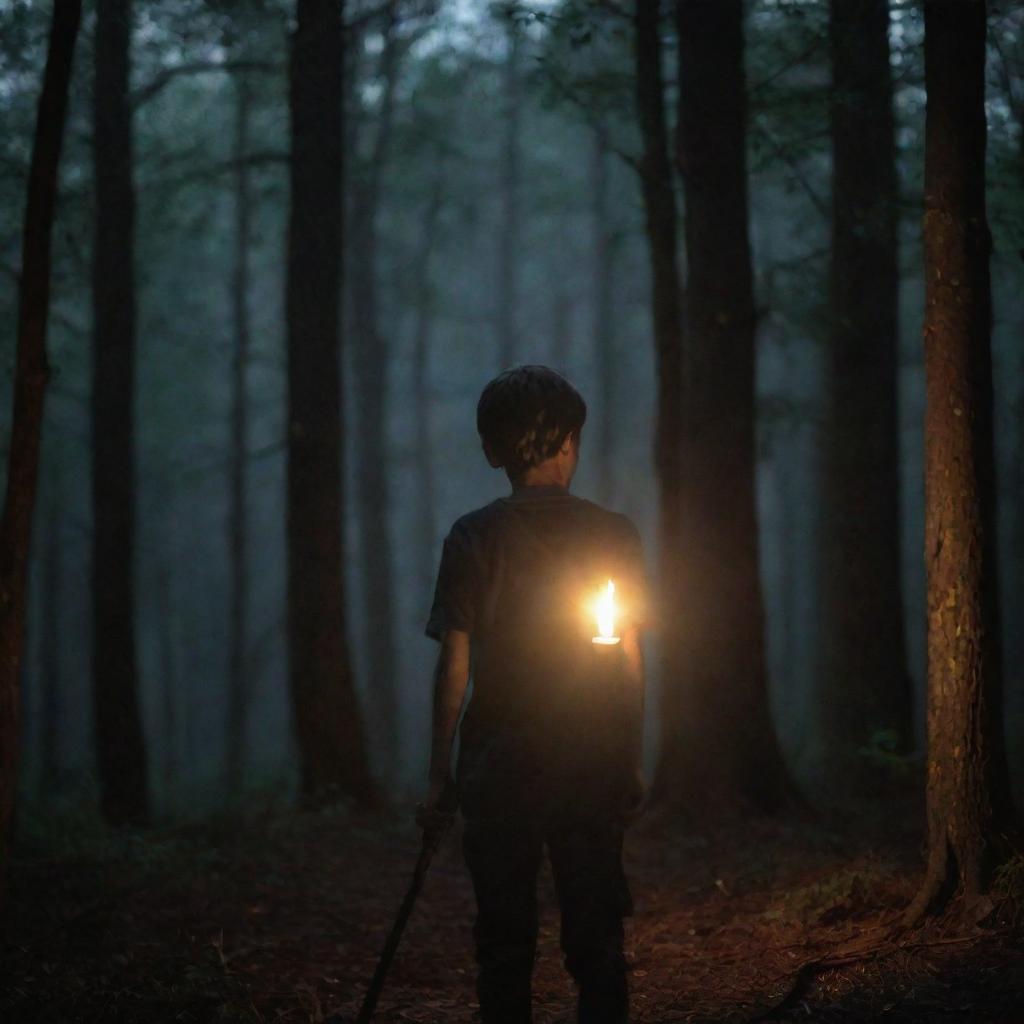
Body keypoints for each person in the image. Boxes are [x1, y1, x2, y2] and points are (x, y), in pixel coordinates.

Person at [418, 365, 648, 1024]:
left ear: (493, 451)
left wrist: (440, 777)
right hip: (591, 757)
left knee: (504, 940)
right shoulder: (613, 534)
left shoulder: (475, 536)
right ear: (571, 442)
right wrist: (630, 754)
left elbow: (454, 664)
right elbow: (629, 654)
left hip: (498, 761)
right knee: (596, 932)